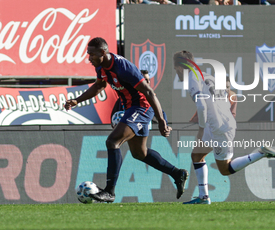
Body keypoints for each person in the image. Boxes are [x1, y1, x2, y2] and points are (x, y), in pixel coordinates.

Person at [64, 38, 188, 203]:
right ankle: (177, 173)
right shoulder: (101, 67)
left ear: (103, 52)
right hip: (131, 108)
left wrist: (162, 120)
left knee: (112, 141)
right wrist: (77, 100)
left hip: (141, 107)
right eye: (88, 54)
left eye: (92, 54)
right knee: (139, 153)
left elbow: (149, 92)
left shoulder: (123, 68)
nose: (89, 58)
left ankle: (109, 192)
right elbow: (99, 86)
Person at [173, 50, 275, 205]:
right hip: (219, 124)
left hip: (219, 128)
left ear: (179, 67)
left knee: (225, 169)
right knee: (196, 156)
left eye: (175, 68)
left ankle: (260, 153)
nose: (176, 72)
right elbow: (222, 99)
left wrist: (200, 129)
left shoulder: (192, 79)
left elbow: (202, 106)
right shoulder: (207, 75)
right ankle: (203, 197)